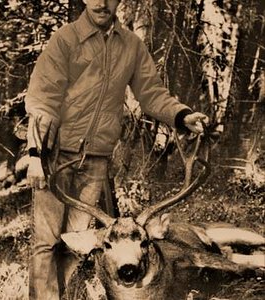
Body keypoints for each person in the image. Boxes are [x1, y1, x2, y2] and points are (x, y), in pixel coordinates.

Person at [25, 0, 208, 299]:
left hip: (95, 160)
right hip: (54, 157)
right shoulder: (66, 39)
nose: (101, 2)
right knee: (46, 242)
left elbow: (151, 93)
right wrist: (35, 156)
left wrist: (181, 115)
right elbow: (43, 99)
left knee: (77, 243)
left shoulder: (131, 46)